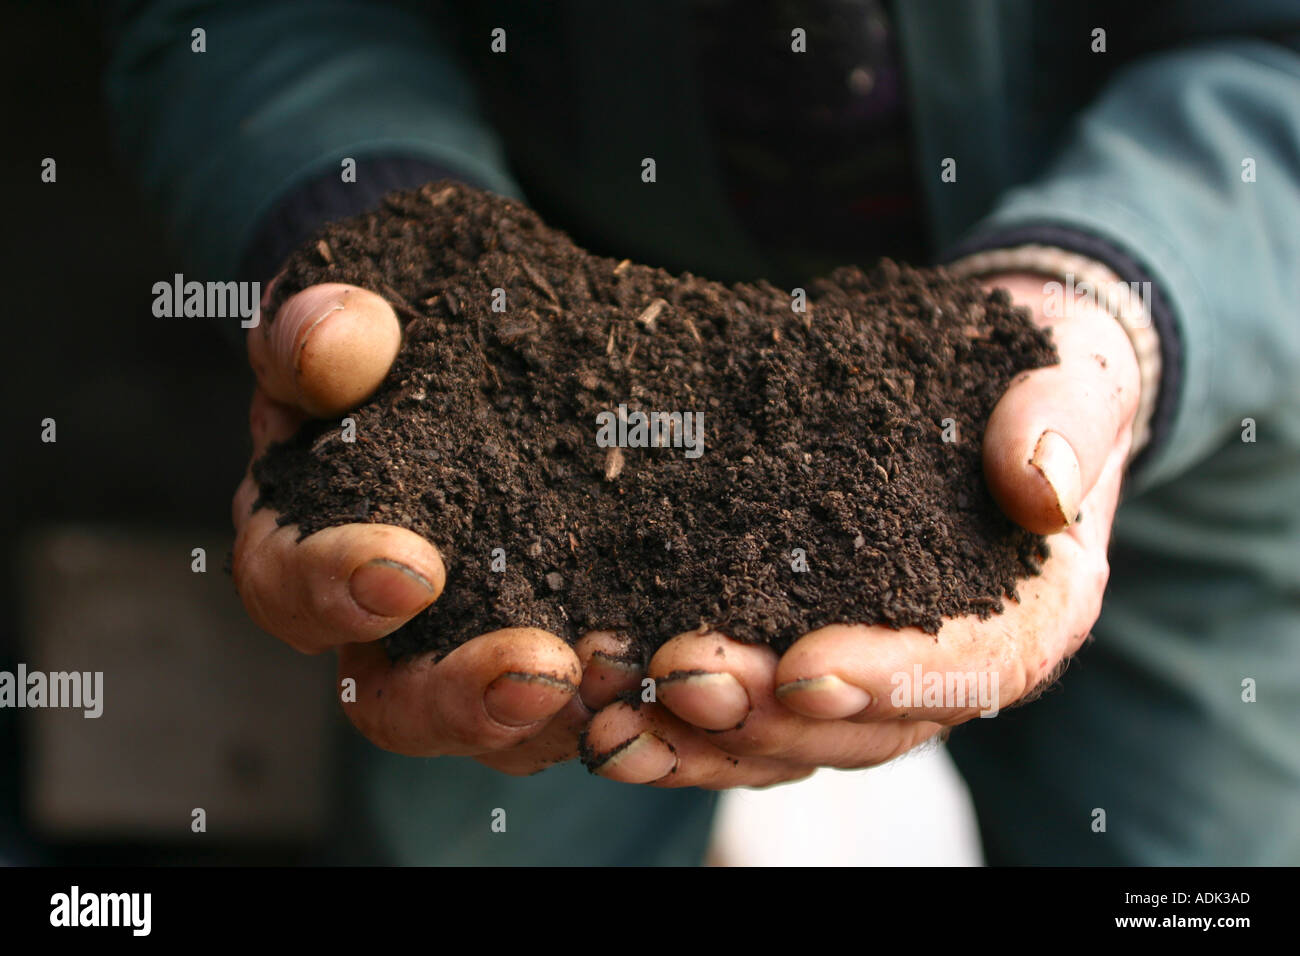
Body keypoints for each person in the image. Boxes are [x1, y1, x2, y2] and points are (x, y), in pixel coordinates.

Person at [107, 0, 1300, 864]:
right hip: (545, 272)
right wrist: (382, 229)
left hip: (1156, 324)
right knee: (476, 809)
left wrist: (1110, 295)